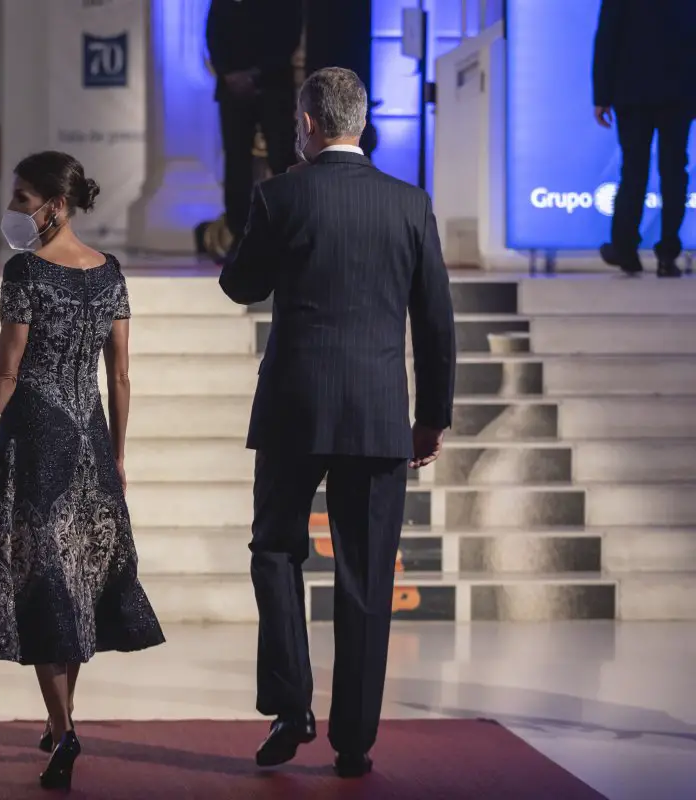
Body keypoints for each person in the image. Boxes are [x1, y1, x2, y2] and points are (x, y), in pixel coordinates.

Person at [219, 68, 456, 778]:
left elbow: (241, 285)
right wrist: (432, 417)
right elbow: (436, 323)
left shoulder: (283, 193)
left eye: (298, 122)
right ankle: (354, 741)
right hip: (380, 415)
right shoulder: (409, 204)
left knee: (275, 551)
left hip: (296, 407)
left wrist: (273, 202)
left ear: (311, 124)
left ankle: (292, 706)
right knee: (365, 576)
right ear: (360, 124)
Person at [0, 151, 165, 790]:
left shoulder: (25, 272)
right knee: (73, 576)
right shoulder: (110, 272)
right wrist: (118, 453)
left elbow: (7, 371)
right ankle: (59, 717)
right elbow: (119, 374)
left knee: (42, 581)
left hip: (35, 441)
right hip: (89, 440)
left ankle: (64, 728)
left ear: (54, 205)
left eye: (21, 198)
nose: (13, 209)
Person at [593, 0, 696, 277]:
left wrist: (601, 95)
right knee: (674, 171)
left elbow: (607, 37)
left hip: (633, 90)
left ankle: (625, 249)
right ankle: (667, 255)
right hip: (679, 92)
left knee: (634, 170)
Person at [206, 0, 303, 242]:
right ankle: (238, 234)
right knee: (236, 162)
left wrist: (256, 74)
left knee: (282, 158)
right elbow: (213, 34)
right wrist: (229, 74)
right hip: (232, 90)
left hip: (274, 88)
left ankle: (290, 229)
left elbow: (289, 36)